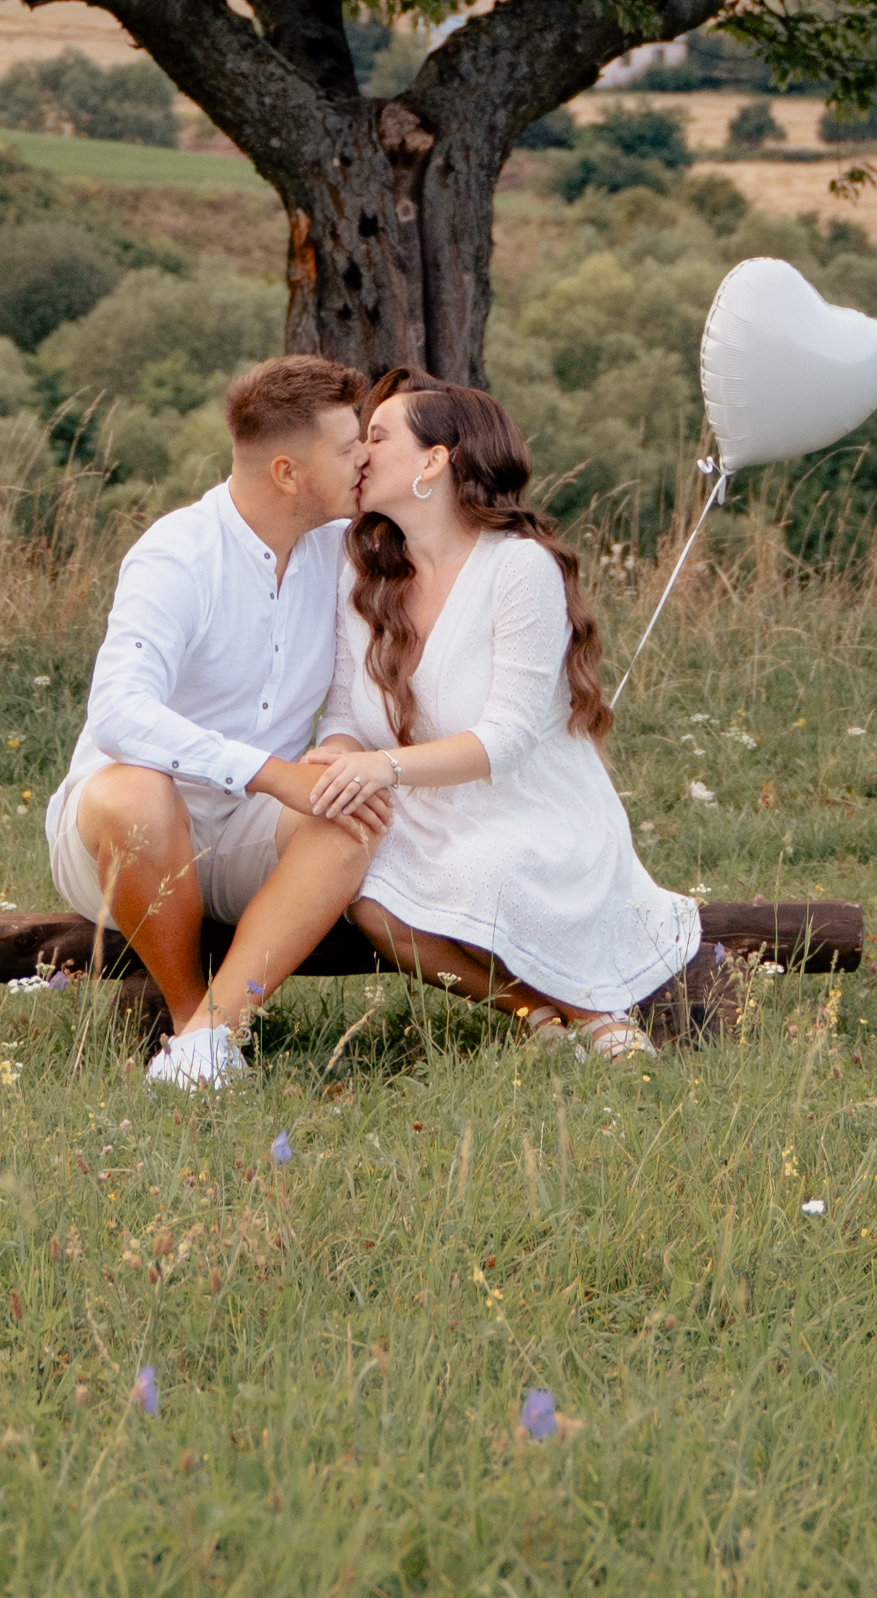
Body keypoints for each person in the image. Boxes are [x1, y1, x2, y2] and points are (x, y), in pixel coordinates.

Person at [310, 377, 721, 1055]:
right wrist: (336, 758)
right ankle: (535, 1015)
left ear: (434, 462)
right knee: (368, 899)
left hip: (526, 803)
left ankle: (597, 1015)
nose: (360, 453)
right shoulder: (362, 570)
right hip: (417, 804)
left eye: (378, 438)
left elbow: (506, 738)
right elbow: (345, 713)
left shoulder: (518, 568)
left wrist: (377, 767)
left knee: (490, 868)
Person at [45, 354, 392, 1092]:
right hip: (116, 837)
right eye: (345, 446)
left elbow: (346, 695)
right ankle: (185, 1015)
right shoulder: (177, 555)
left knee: (350, 813)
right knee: (139, 792)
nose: (364, 457)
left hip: (240, 829)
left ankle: (208, 1041)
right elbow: (116, 711)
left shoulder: (343, 552)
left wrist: (332, 750)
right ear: (288, 473)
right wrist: (272, 774)